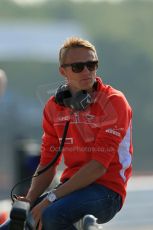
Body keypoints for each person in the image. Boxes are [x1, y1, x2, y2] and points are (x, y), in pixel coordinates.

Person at [0, 37, 133, 230]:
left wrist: (50, 199)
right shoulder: (54, 107)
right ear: (63, 71)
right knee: (15, 225)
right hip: (69, 189)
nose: (87, 71)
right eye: (78, 67)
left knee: (52, 214)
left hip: (107, 191)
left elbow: (98, 167)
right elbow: (47, 163)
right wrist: (28, 201)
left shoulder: (114, 101)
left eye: (92, 65)